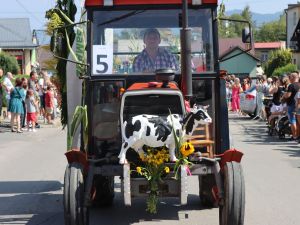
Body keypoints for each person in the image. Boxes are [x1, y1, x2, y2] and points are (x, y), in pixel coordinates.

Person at [282, 72, 300, 141]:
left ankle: (294, 136)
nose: (289, 79)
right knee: (298, 122)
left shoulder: (291, 85)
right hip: (297, 104)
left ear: (292, 77)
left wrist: (284, 95)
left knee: (292, 120)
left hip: (292, 104)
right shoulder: (299, 85)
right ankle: (298, 135)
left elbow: (288, 95)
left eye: (290, 77)